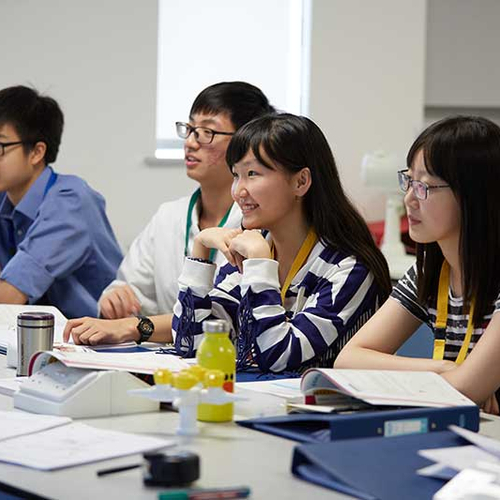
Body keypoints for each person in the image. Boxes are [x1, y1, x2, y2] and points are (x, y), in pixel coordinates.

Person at [171, 113, 392, 373]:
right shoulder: (254, 247)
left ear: (301, 182)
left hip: (321, 399)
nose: (239, 191)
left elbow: (277, 356)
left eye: (252, 173)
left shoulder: (348, 269)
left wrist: (260, 265)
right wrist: (199, 252)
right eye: (236, 175)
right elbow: (190, 343)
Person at [63, 82, 274, 344]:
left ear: (245, 141)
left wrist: (134, 326)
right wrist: (116, 298)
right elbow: (132, 288)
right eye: (190, 129)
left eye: (206, 132)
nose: (190, 142)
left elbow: (227, 318)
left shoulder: (260, 224)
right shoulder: (169, 216)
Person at [335, 115, 500, 412]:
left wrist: (461, 380)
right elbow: (348, 360)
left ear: (472, 194)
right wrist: (440, 368)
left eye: (424, 186)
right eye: (409, 181)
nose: (409, 199)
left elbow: (467, 388)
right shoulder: (429, 271)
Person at [0, 85, 122, 318]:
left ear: (36, 152)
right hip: (41, 333)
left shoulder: (71, 201)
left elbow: (9, 297)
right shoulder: (5, 200)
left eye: (0, 146)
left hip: (104, 335)